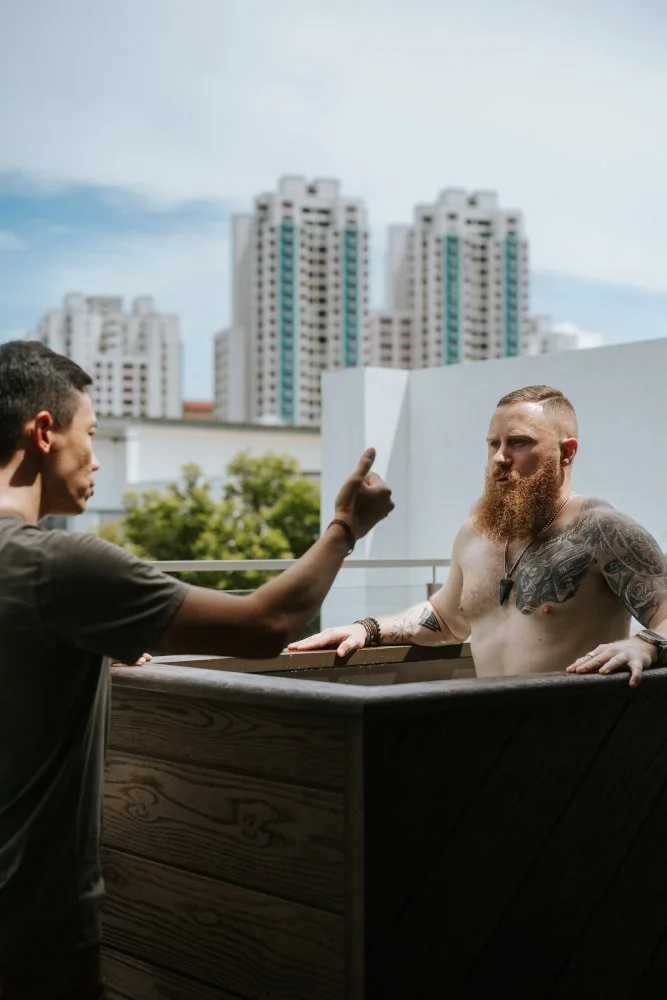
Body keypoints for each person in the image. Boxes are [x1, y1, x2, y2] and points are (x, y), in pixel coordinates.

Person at [0, 341, 394, 999]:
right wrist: (344, 529)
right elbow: (265, 624)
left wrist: (89, 641)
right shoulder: (55, 568)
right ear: (44, 431)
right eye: (90, 434)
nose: (96, 457)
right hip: (29, 923)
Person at [290, 384, 667, 689]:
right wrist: (366, 629)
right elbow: (445, 616)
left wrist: (645, 644)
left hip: (578, 746)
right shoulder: (477, 530)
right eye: (493, 444)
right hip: (492, 737)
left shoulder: (604, 529)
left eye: (519, 442)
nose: (500, 458)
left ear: (566, 452)